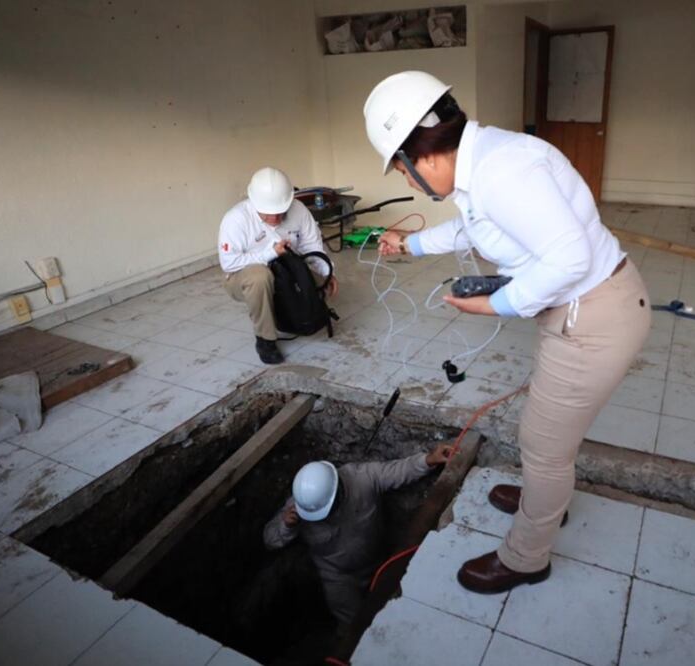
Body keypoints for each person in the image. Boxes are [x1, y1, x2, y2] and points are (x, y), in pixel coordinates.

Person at [363, 71, 651, 594]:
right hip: (587, 310)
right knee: (547, 437)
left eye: (403, 171)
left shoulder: (502, 172)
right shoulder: (485, 161)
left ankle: (526, 557)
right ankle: (544, 501)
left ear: (421, 156)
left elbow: (569, 257)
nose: (409, 183)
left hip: (594, 318)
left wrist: (495, 305)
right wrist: (411, 245)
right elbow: (476, 226)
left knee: (543, 445)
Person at [262, 444, 453, 627]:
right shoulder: (302, 505)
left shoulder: (362, 478)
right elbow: (269, 540)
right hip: (338, 578)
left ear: (336, 492)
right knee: (353, 626)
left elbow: (398, 471)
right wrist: (286, 526)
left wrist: (428, 460)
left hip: (377, 561)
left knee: (399, 610)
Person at [218, 167, 338, 364]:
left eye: (280, 211)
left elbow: (312, 245)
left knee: (314, 285)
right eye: (267, 213)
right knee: (260, 277)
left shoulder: (298, 210)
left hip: (288, 269)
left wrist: (327, 272)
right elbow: (229, 263)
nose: (274, 218)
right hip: (243, 276)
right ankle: (265, 339)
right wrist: (271, 253)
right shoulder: (236, 219)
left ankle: (292, 314)